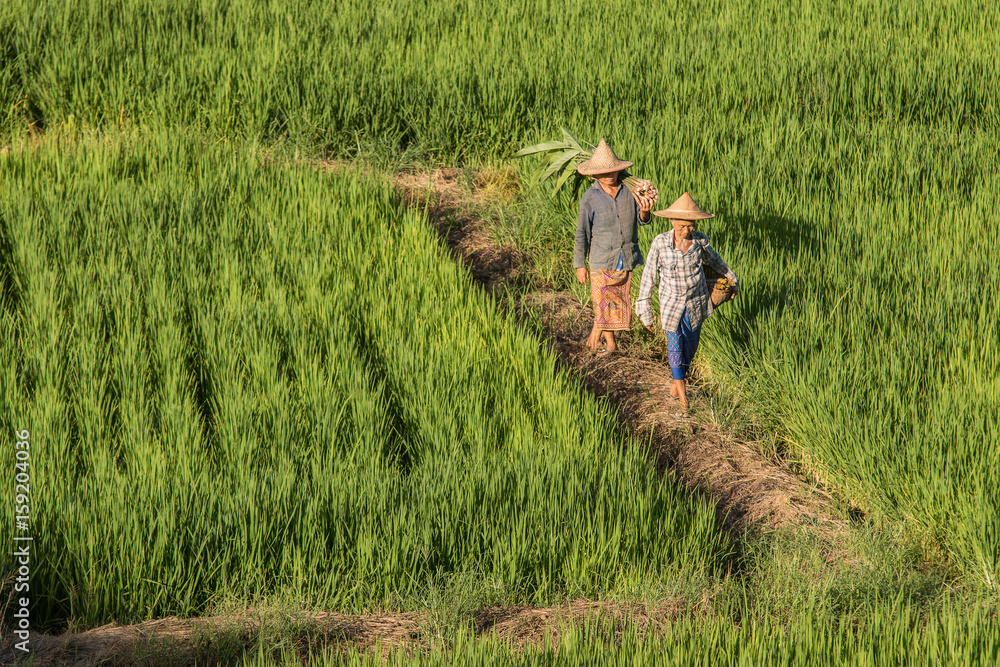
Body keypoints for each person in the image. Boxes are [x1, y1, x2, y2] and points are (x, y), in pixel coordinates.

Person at [635, 192, 738, 412]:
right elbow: (649, 277)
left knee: (689, 351)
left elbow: (716, 262)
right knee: (675, 349)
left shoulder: (700, 242)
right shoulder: (660, 244)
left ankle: (676, 388)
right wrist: (645, 310)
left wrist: (733, 280)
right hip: (671, 305)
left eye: (690, 226)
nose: (686, 230)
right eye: (682, 225)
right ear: (672, 222)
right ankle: (684, 403)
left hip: (696, 304)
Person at [573, 139, 657, 356]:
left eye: (613, 171)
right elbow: (582, 232)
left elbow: (643, 221)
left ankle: (599, 337)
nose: (610, 175)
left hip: (625, 255)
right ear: (594, 175)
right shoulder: (590, 197)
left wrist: (646, 213)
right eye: (605, 172)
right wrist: (579, 264)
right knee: (601, 300)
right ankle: (609, 344)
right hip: (601, 257)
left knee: (614, 300)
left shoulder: (630, 191)